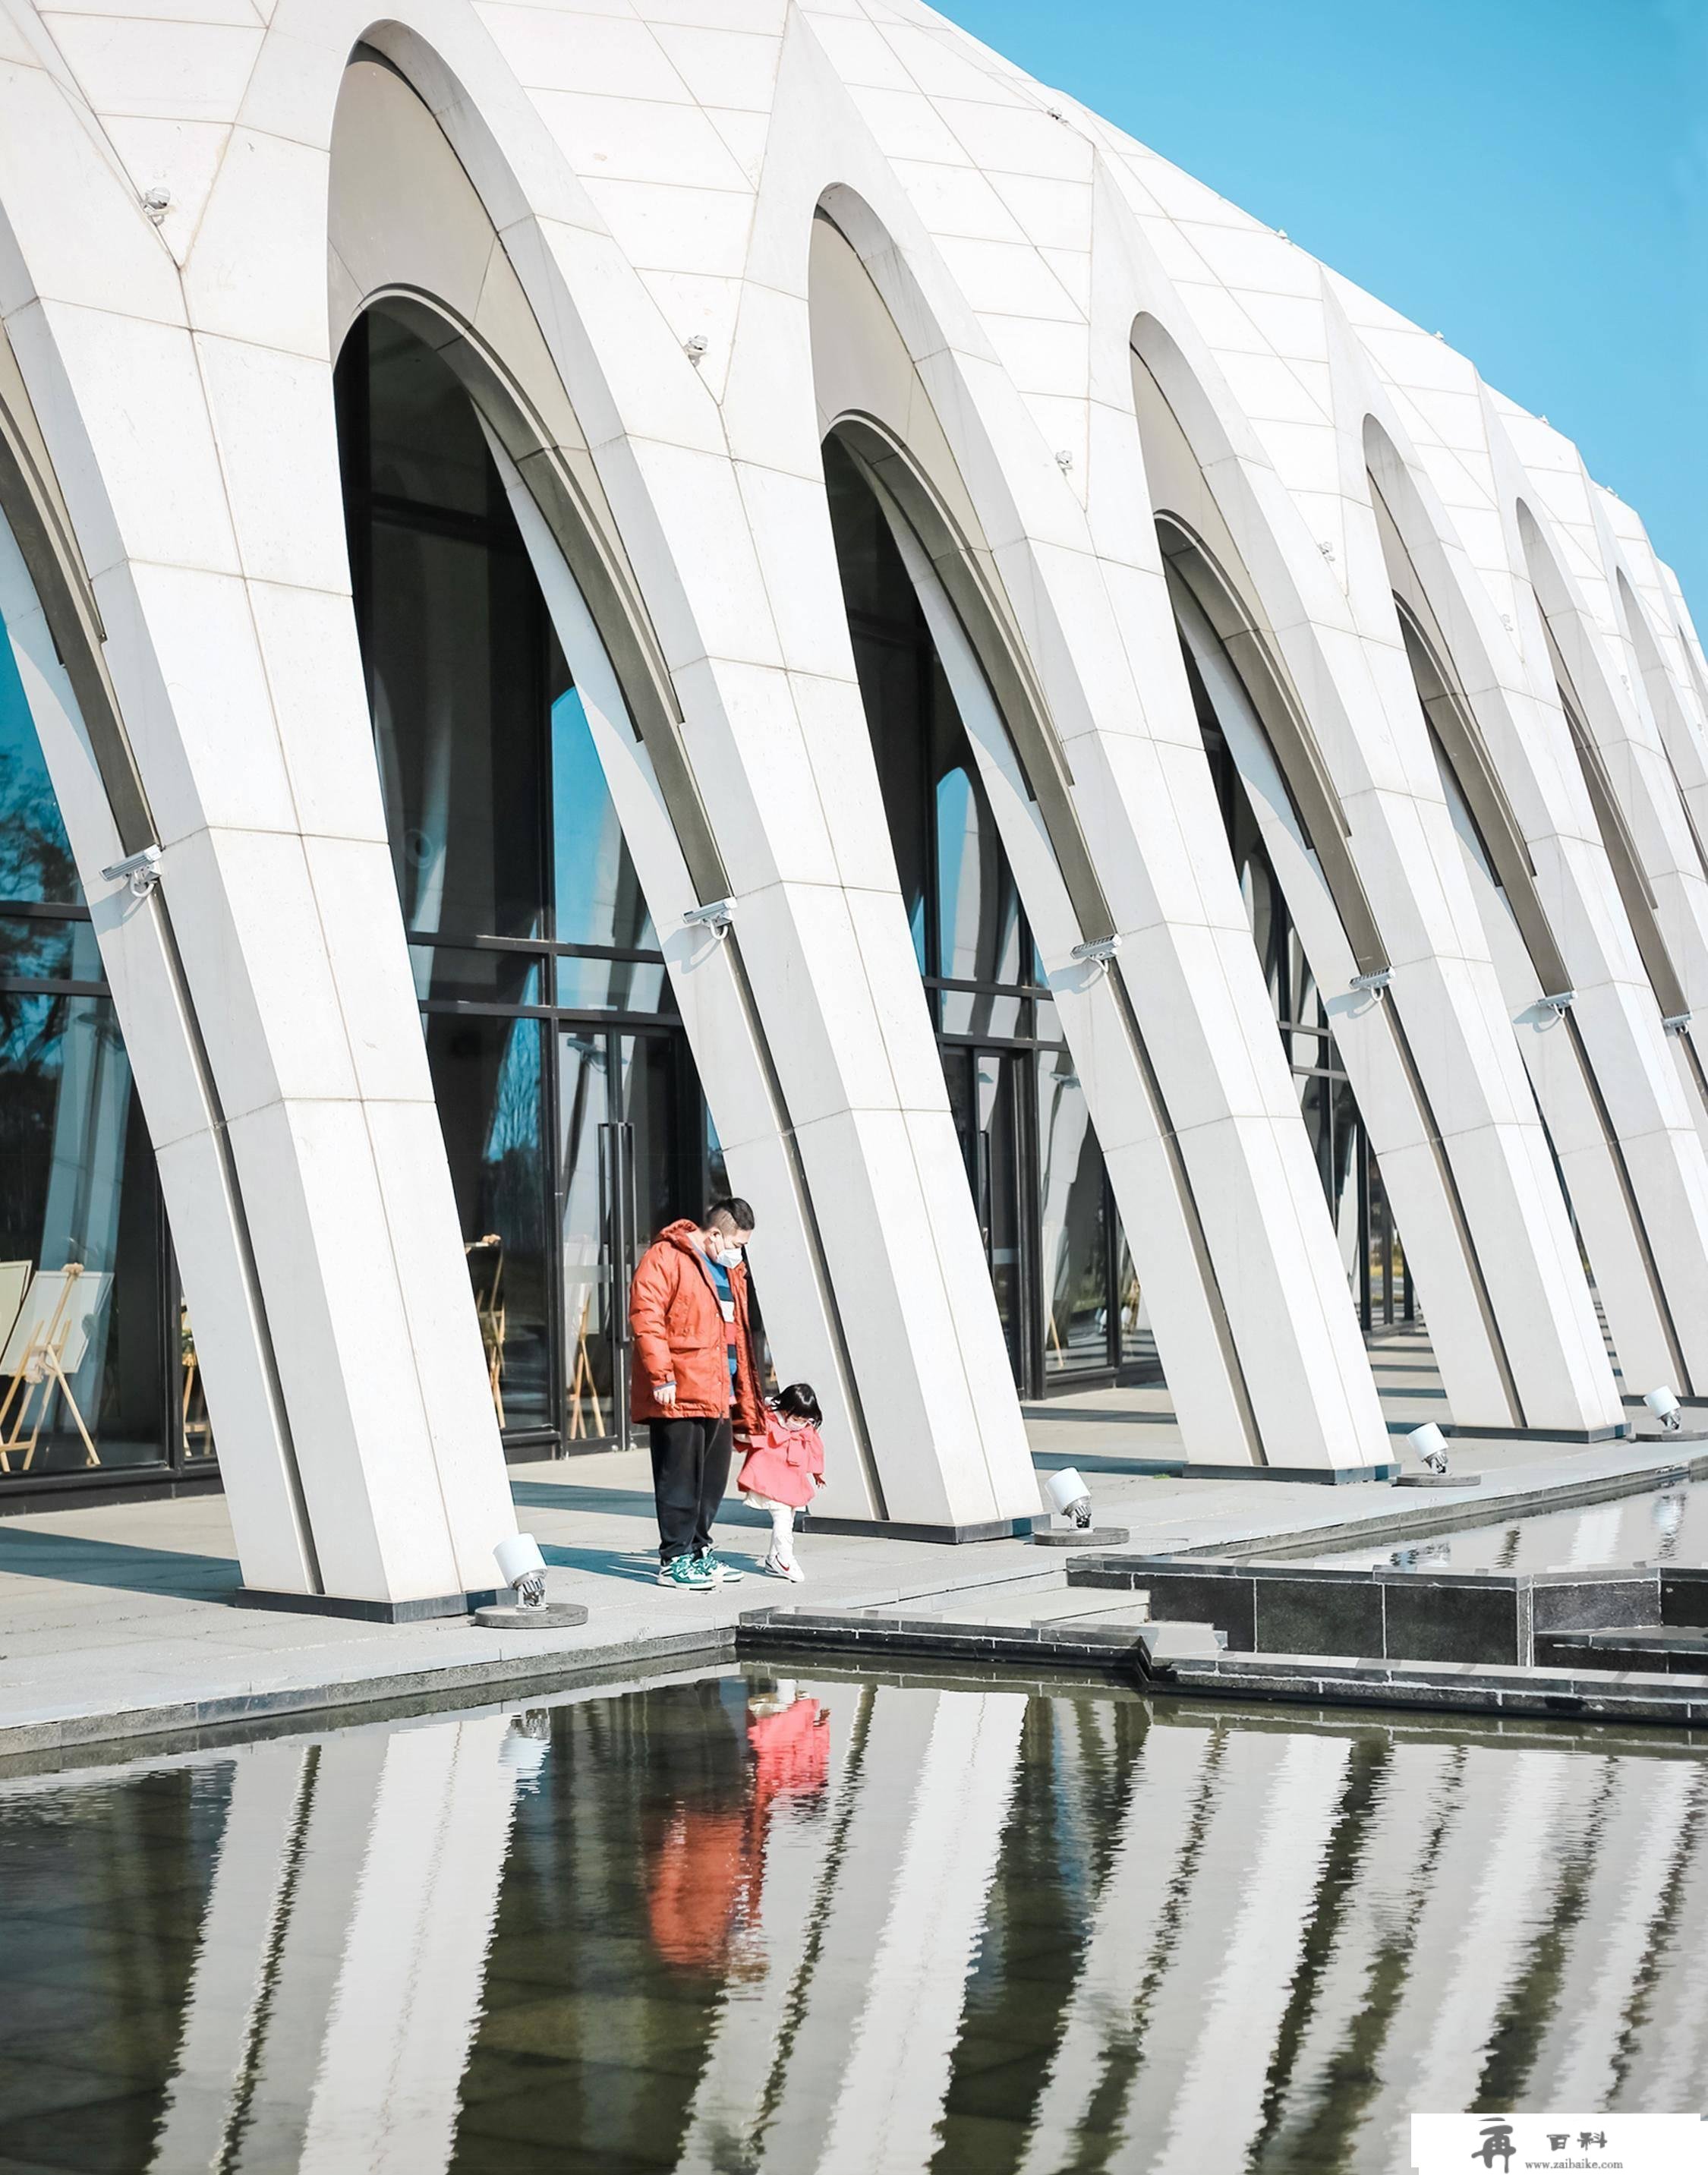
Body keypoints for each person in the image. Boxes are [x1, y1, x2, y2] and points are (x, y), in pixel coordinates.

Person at [629, 1197, 766, 1590]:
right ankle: (674, 1559)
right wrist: (662, 1376)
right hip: (680, 1390)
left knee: (711, 1481)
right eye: (737, 1243)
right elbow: (646, 1316)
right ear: (716, 1234)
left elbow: (736, 1333)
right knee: (680, 1480)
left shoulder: (730, 1271)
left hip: (719, 1390)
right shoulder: (666, 1257)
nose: (739, 1252)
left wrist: (745, 1394)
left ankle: (699, 1550)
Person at [736, 1382, 826, 1581]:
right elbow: (745, 1435)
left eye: (805, 1420)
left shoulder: (805, 1429)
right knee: (782, 1519)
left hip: (792, 1481)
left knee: (788, 1518)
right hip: (770, 1479)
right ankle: (785, 1560)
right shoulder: (769, 1422)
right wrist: (747, 1436)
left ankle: (773, 1560)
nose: (800, 1424)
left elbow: (814, 1449)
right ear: (785, 1410)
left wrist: (817, 1472)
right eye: (796, 1419)